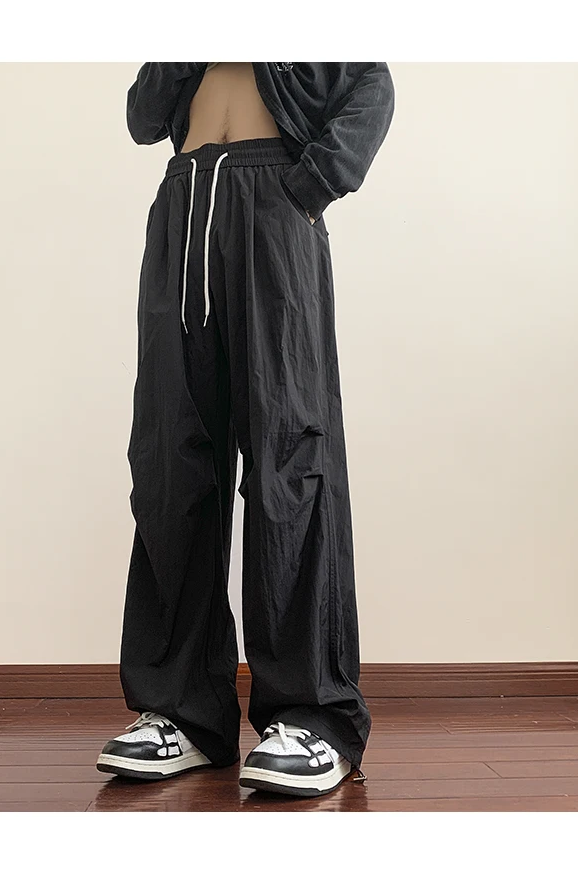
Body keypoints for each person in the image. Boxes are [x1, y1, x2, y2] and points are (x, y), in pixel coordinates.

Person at [97, 62, 395, 798]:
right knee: (170, 466)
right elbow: (142, 118)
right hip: (183, 207)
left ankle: (311, 716)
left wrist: (312, 183)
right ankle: (183, 713)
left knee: (290, 459)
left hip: (275, 204)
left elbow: (371, 81)